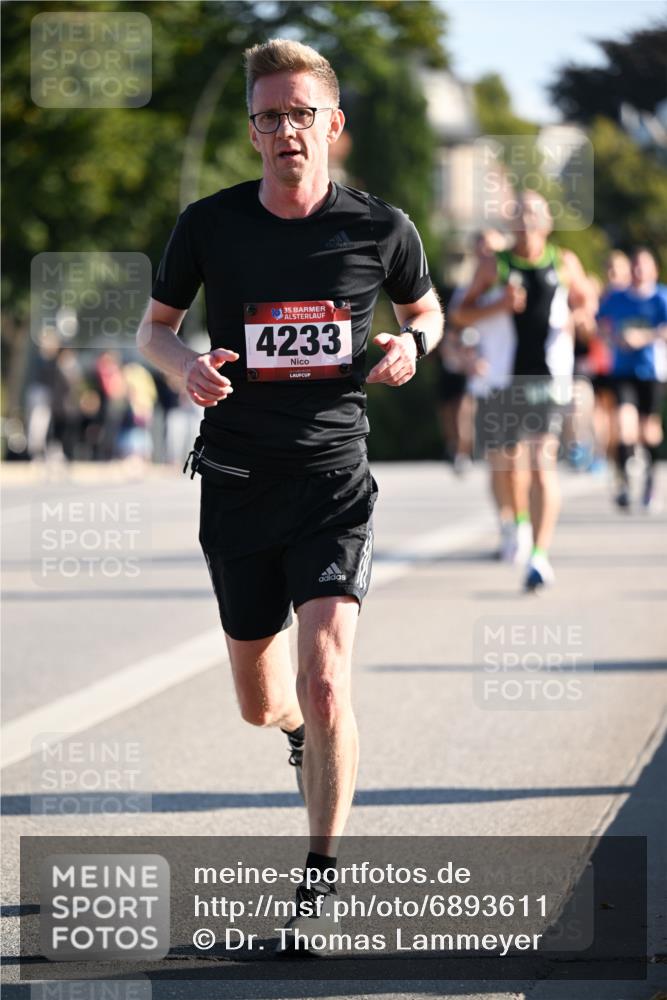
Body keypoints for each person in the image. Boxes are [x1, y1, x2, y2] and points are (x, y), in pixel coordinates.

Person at [136, 38, 443, 952]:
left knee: (327, 677)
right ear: (251, 131)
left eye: (299, 115)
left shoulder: (381, 228)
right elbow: (154, 330)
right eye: (267, 116)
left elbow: (424, 310)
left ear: (331, 124)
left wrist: (411, 346)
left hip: (332, 482)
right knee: (262, 701)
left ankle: (320, 880)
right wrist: (186, 366)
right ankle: (298, 733)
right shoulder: (210, 224)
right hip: (237, 484)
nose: (284, 131)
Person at [452, 191, 595, 591]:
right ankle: (516, 524)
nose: (527, 219)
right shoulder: (493, 265)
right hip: (501, 379)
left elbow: (587, 301)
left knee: (541, 466)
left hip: (547, 380)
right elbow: (460, 313)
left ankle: (539, 556)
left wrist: (580, 315)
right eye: (520, 212)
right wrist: (498, 306)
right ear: (511, 222)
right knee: (508, 466)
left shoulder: (563, 262)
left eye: (534, 212)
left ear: (547, 221)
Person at [449, 229, 519, 558]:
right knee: (499, 462)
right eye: (481, 250)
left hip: (522, 380)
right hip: (487, 385)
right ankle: (507, 524)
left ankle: (521, 523)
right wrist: (468, 361)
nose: (486, 255)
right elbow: (452, 338)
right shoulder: (466, 292)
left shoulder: (517, 286)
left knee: (518, 463)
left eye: (492, 249)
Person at [598, 247, 667, 511]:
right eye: (635, 265)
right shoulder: (617, 298)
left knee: (648, 431)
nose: (638, 271)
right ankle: (625, 482)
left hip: (652, 372)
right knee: (624, 424)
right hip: (622, 371)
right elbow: (599, 325)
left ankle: (650, 480)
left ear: (654, 270)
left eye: (643, 265)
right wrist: (614, 339)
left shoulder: (661, 297)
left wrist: (645, 337)